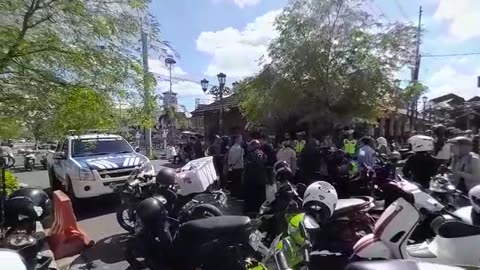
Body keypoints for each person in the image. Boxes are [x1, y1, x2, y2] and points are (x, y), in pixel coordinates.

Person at [243, 140, 267, 215]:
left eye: (250, 145)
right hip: (255, 177)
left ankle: (253, 210)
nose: (249, 147)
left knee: (255, 194)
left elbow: (260, 164)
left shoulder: (258, 153)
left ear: (254, 145)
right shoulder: (254, 153)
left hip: (255, 178)